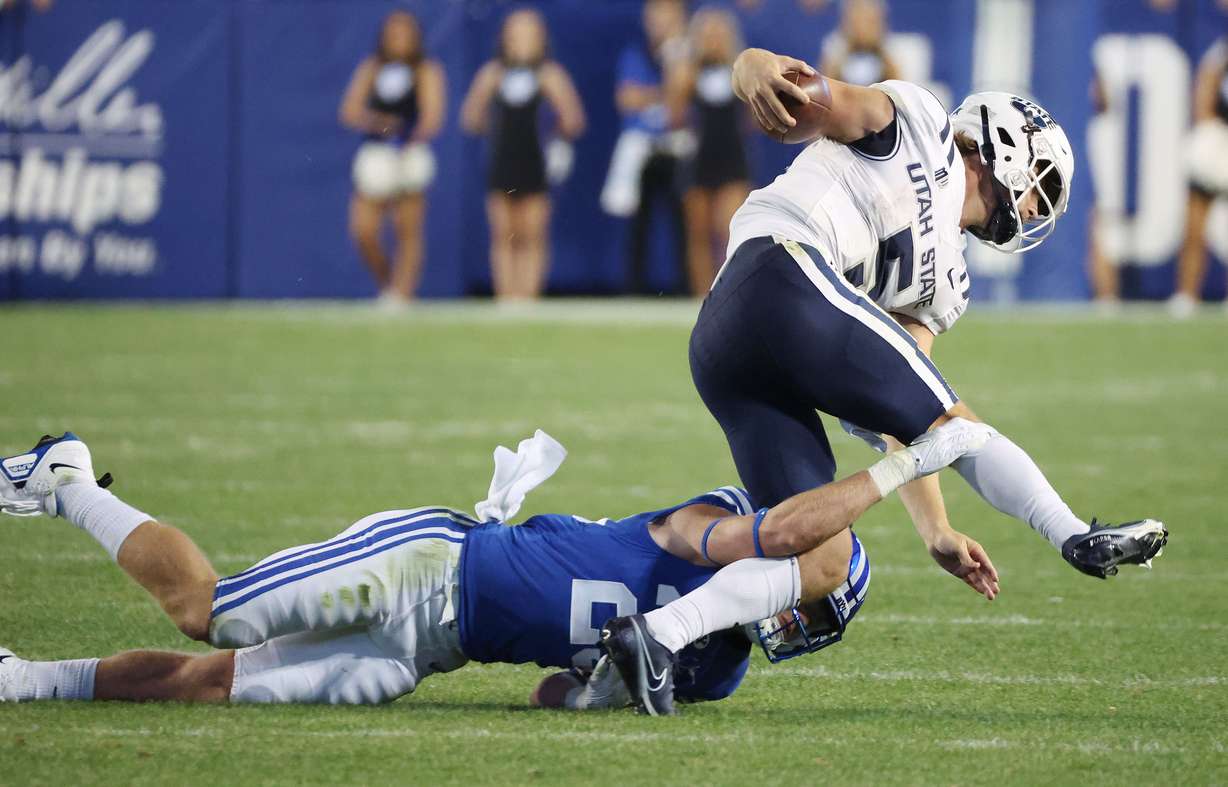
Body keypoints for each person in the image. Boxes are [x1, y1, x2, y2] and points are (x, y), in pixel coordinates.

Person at [602, 48, 1169, 714]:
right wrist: (751, 65)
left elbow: (906, 416)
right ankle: (1075, 532)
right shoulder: (921, 121)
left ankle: (653, 638)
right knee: (957, 426)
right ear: (1006, 145)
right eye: (1040, 183)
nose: (1036, 205)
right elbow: (823, 101)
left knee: (819, 561)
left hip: (728, 345)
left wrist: (936, 530)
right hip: (778, 269)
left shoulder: (949, 283)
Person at [0, 420, 990, 712]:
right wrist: (896, 473)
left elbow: (553, 696)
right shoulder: (717, 532)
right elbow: (761, 541)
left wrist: (598, 694)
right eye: (810, 597)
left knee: (206, 685)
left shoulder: (714, 664)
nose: (795, 615)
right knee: (206, 611)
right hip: (431, 563)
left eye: (815, 616)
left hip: (434, 648)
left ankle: (21, 682)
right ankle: (72, 478)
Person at [461, 8, 586, 301]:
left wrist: (555, 128)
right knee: (503, 232)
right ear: (504, 38)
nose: (523, 41)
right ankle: (506, 296)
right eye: (516, 34)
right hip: (502, 159)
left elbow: (574, 121)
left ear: (541, 39)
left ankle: (527, 297)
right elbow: (470, 119)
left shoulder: (550, 74)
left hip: (535, 161)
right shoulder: (492, 74)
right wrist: (490, 121)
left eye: (530, 34)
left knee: (532, 233)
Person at [339, 11, 446, 305]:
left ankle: (403, 293)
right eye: (393, 33)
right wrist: (382, 123)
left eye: (405, 33)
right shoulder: (372, 68)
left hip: (409, 152)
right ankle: (388, 284)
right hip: (376, 154)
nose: (399, 39)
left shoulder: (426, 70)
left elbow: (433, 117)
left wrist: (409, 141)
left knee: (407, 227)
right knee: (364, 230)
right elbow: (349, 111)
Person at [665, 6, 753, 296]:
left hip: (732, 158)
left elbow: (754, 119)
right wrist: (679, 79)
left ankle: (729, 294)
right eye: (707, 35)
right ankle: (702, 296)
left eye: (718, 35)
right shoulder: (687, 72)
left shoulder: (739, 73)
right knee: (699, 234)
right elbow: (674, 117)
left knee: (730, 230)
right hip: (698, 158)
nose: (713, 41)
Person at [605, 0, 691, 294]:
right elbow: (626, 98)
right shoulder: (636, 53)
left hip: (677, 149)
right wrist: (662, 94)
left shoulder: (687, 54)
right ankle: (634, 289)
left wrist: (674, 61)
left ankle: (687, 288)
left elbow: (679, 102)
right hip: (642, 148)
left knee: (684, 223)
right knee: (637, 226)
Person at [1169, 35, 1228, 316]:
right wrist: (1207, 128)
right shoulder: (1222, 50)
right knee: (1195, 223)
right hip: (1219, 138)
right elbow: (1207, 80)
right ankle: (1187, 294)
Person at [819, 0, 901, 87]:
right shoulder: (835, 52)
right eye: (856, 22)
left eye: (868, 22)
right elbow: (825, 88)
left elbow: (899, 93)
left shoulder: (894, 54)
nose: (862, 28)